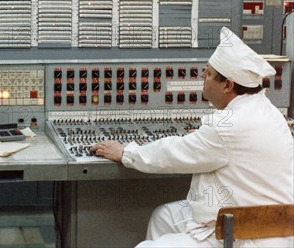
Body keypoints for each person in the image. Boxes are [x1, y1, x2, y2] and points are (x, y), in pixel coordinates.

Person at [91, 27, 293, 247]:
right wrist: (207, 140)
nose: (202, 76)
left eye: (208, 72)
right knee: (164, 217)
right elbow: (230, 144)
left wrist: (126, 153)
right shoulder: (265, 109)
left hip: (246, 236)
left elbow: (172, 154)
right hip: (263, 222)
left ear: (228, 85)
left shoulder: (227, 127)